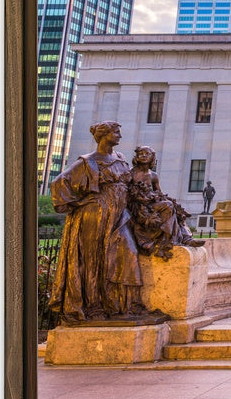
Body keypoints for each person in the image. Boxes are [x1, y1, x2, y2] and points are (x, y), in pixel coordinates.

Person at [48, 121, 149, 324]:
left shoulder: (120, 159)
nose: (120, 136)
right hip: (94, 216)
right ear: (104, 135)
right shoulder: (88, 161)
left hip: (119, 216)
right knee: (94, 260)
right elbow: (58, 183)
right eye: (116, 132)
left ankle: (120, 304)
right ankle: (94, 307)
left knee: (127, 252)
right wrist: (79, 202)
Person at [127, 145, 192, 258]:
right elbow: (127, 192)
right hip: (138, 206)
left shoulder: (153, 175)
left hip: (151, 204)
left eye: (147, 154)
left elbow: (159, 193)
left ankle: (183, 238)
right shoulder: (131, 173)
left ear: (152, 158)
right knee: (168, 206)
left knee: (173, 208)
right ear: (136, 157)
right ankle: (174, 240)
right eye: (141, 153)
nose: (143, 155)